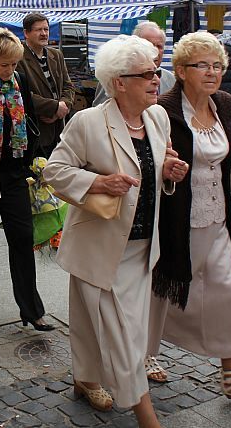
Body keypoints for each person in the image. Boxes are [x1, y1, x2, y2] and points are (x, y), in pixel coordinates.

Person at [43, 34, 186, 427]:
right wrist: (98, 183)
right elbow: (54, 171)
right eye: (146, 74)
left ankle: (85, 379)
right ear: (119, 82)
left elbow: (154, 168)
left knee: (107, 328)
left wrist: (168, 172)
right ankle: (146, 415)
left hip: (142, 247)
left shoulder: (157, 117)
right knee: (124, 337)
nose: (156, 79)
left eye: (157, 71)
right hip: (100, 247)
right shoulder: (88, 122)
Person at [147, 31, 231, 405]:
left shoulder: (224, 104)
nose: (213, 72)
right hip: (175, 222)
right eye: (202, 65)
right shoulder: (164, 110)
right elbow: (147, 160)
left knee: (229, 290)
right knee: (158, 294)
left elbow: (224, 157)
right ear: (181, 70)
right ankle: (139, 355)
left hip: (217, 220)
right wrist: (165, 169)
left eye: (218, 65)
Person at [0, 27, 53, 327]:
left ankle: (32, 310)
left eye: (14, 64)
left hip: (15, 172)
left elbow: (29, 118)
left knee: (22, 237)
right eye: (4, 64)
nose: (10, 70)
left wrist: (32, 162)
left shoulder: (19, 81)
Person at [16, 12, 74, 157]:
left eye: (46, 29)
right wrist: (54, 107)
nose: (44, 34)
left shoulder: (56, 55)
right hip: (36, 131)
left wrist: (63, 106)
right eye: (38, 30)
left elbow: (68, 86)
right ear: (26, 33)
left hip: (59, 129)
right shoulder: (18, 58)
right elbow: (21, 94)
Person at [93, 21, 175, 106]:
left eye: (159, 46)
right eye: (149, 45)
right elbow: (101, 108)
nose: (155, 51)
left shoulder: (170, 79)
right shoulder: (114, 74)